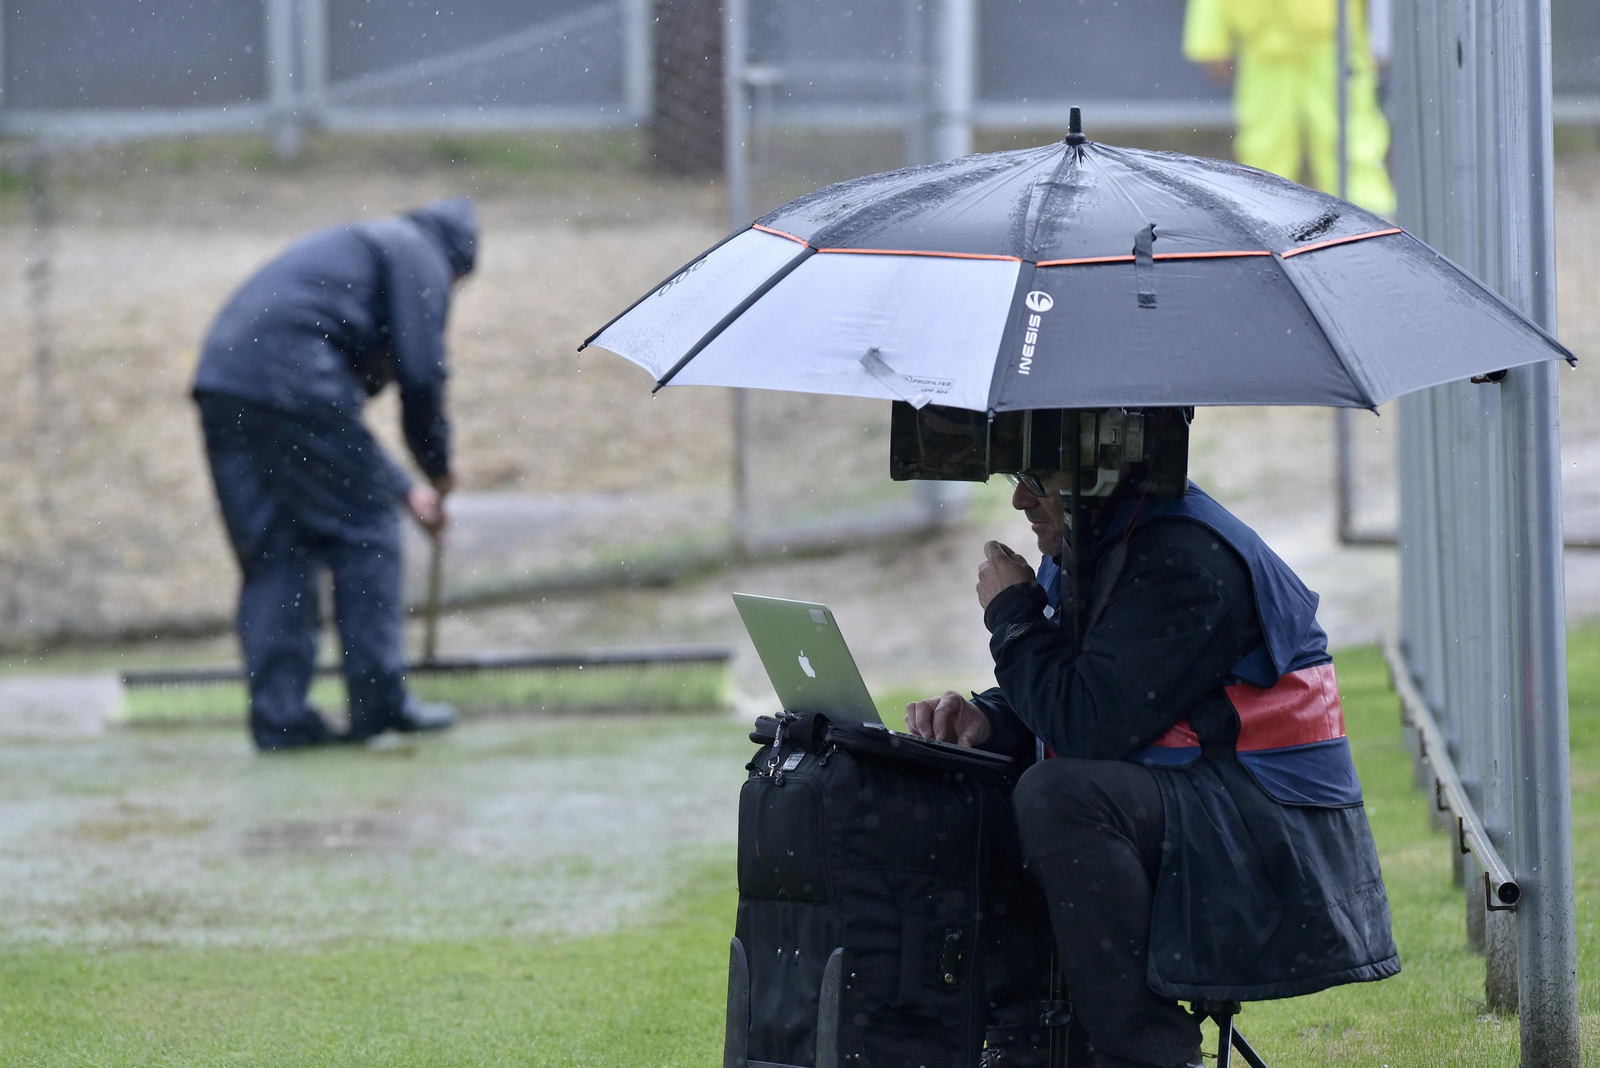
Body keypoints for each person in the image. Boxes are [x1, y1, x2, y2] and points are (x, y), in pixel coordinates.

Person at [905, 413, 1398, 1068]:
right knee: (977, 779)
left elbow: (1088, 723)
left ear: (1097, 471)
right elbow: (1091, 686)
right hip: (1213, 804)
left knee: (1062, 796)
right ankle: (1029, 1041)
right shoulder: (1102, 540)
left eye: (1035, 478)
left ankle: (1152, 1057)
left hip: (1276, 843)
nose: (1020, 499)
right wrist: (988, 721)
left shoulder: (1183, 559)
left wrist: (1013, 616)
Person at [192, 199, 477, 750]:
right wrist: (436, 463)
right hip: (291, 382)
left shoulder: (369, 248)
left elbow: (328, 426)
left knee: (277, 552)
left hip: (225, 381)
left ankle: (282, 720)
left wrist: (405, 486)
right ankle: (380, 707)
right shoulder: (420, 256)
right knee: (366, 531)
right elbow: (421, 374)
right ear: (457, 268)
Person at [1183, 0, 1397, 217]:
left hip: (1332, 42)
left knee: (1350, 140)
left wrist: (1383, 37)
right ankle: (1264, 220)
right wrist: (1210, 38)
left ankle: (1367, 222)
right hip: (1263, 47)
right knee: (1265, 148)